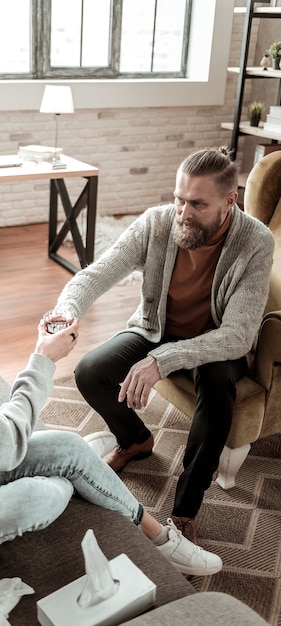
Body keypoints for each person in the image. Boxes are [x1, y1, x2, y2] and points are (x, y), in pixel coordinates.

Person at [0, 211, 222, 577]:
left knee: (70, 448)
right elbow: (5, 442)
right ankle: (88, 477)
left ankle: (158, 537)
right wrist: (42, 360)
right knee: (52, 491)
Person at [54, 146, 275, 544]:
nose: (183, 213)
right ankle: (135, 440)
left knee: (218, 393)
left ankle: (184, 511)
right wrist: (66, 310)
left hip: (216, 343)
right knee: (90, 372)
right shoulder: (157, 224)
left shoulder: (255, 241)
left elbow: (239, 335)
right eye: (178, 199)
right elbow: (99, 273)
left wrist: (162, 361)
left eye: (197, 204)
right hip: (156, 329)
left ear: (230, 200)